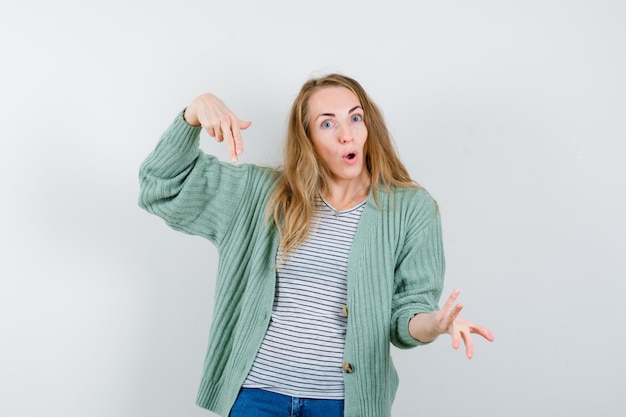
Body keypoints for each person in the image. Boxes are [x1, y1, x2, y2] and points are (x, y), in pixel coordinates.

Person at [138, 73, 494, 417]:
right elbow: (160, 186)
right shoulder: (260, 194)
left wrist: (433, 323)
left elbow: (406, 317)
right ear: (307, 138)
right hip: (257, 397)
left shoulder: (410, 209)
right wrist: (194, 113)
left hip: (342, 405)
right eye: (327, 123)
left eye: (355, 118)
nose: (346, 135)